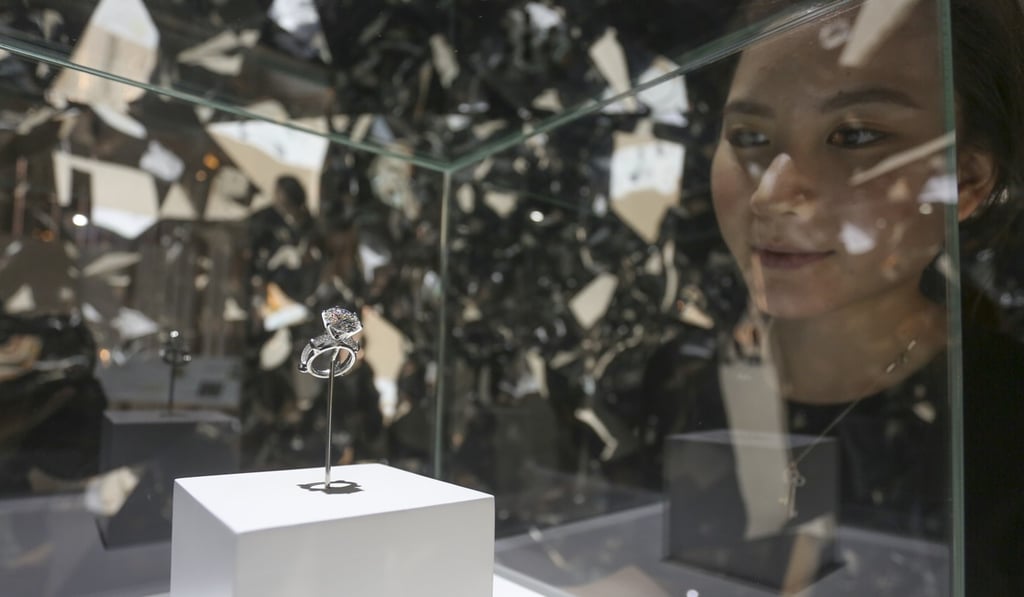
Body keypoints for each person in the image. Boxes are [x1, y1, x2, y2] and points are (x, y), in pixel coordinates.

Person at [687, 0, 1024, 593]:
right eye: (748, 136)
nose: (773, 193)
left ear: (966, 180)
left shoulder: (1004, 422)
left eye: (855, 136)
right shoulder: (681, 383)